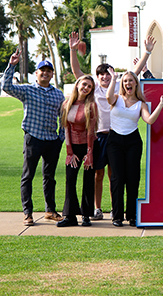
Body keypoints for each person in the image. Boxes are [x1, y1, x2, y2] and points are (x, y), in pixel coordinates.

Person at [104, 48, 163, 227]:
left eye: (130, 81)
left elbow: (149, 120)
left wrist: (161, 105)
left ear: (135, 83)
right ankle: (117, 216)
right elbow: (108, 97)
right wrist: (114, 80)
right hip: (114, 141)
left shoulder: (141, 103)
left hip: (133, 142)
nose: (128, 84)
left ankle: (131, 215)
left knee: (133, 178)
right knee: (117, 178)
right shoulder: (116, 98)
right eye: (125, 81)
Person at [1, 50, 65, 227]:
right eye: (42, 70)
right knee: (28, 176)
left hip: (52, 140)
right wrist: (11, 65)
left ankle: (50, 210)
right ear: (36, 73)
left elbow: (63, 117)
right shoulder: (27, 90)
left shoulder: (58, 94)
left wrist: (61, 137)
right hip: (33, 138)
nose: (45, 73)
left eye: (48, 71)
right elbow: (6, 87)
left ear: (52, 74)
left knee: (49, 177)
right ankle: (27, 213)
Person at [69, 32, 114, 222]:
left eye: (108, 73)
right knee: (98, 174)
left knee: (115, 175)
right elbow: (77, 72)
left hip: (116, 136)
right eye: (102, 74)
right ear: (97, 77)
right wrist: (72, 50)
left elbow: (134, 74)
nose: (105, 76)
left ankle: (115, 208)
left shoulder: (118, 86)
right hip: (98, 137)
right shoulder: (92, 88)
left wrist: (146, 53)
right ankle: (97, 208)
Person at [57, 74, 98, 227]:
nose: (86, 88)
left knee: (88, 181)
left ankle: (86, 215)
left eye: (89, 86)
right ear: (77, 85)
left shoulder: (91, 106)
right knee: (70, 180)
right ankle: (70, 216)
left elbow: (90, 131)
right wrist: (69, 152)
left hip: (89, 147)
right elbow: (66, 128)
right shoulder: (66, 104)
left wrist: (89, 153)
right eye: (84, 84)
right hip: (72, 148)